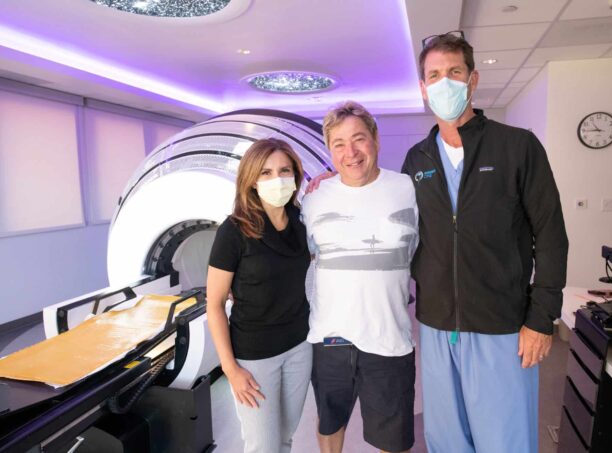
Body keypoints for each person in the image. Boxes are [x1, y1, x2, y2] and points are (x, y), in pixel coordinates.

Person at [401, 32, 569, 453]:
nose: (444, 83)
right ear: (423, 88)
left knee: (504, 439)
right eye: (433, 75)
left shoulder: (517, 146)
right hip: (438, 325)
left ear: (472, 80)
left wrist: (541, 317)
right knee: (446, 439)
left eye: (453, 72)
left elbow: (551, 235)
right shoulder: (416, 160)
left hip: (502, 324)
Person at [302, 101, 419, 453]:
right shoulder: (312, 198)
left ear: (376, 140)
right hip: (330, 338)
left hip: (389, 338)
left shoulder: (409, 189)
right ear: (329, 150)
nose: (350, 152)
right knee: (329, 420)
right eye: (338, 143)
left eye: (359, 139)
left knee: (392, 438)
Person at [206, 138, 312, 453]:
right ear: (251, 179)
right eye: (265, 172)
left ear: (295, 175)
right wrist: (230, 369)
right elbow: (213, 304)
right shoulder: (234, 231)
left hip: (299, 347)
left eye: (284, 170)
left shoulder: (299, 222)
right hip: (255, 358)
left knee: (285, 438)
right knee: (263, 447)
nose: (276, 179)